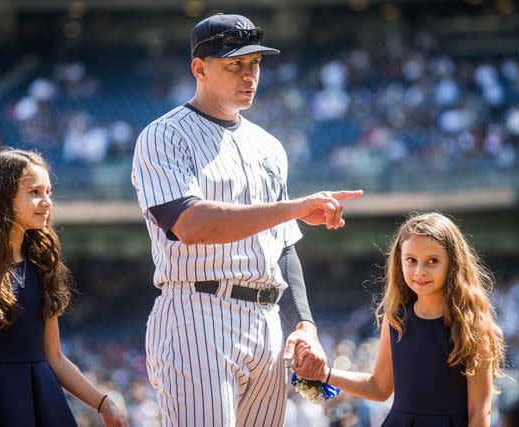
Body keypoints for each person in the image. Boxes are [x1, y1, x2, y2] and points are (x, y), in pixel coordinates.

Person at [131, 12, 362, 427]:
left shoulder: (269, 146)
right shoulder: (164, 135)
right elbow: (191, 224)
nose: (248, 74)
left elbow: (283, 248)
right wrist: (294, 207)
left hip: (268, 322)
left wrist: (306, 325)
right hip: (197, 313)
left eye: (254, 63)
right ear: (199, 69)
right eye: (234, 64)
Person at [0, 148, 128, 427]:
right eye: (35, 192)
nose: (47, 201)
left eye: (48, 191)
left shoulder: (42, 265)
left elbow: (55, 357)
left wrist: (103, 402)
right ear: (1, 197)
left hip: (41, 403)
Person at [293, 212, 506, 427]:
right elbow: (379, 387)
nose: (420, 271)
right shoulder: (395, 318)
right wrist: (324, 374)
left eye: (432, 261)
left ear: (453, 263)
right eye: (411, 260)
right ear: (399, 262)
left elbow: (480, 412)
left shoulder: (472, 324)